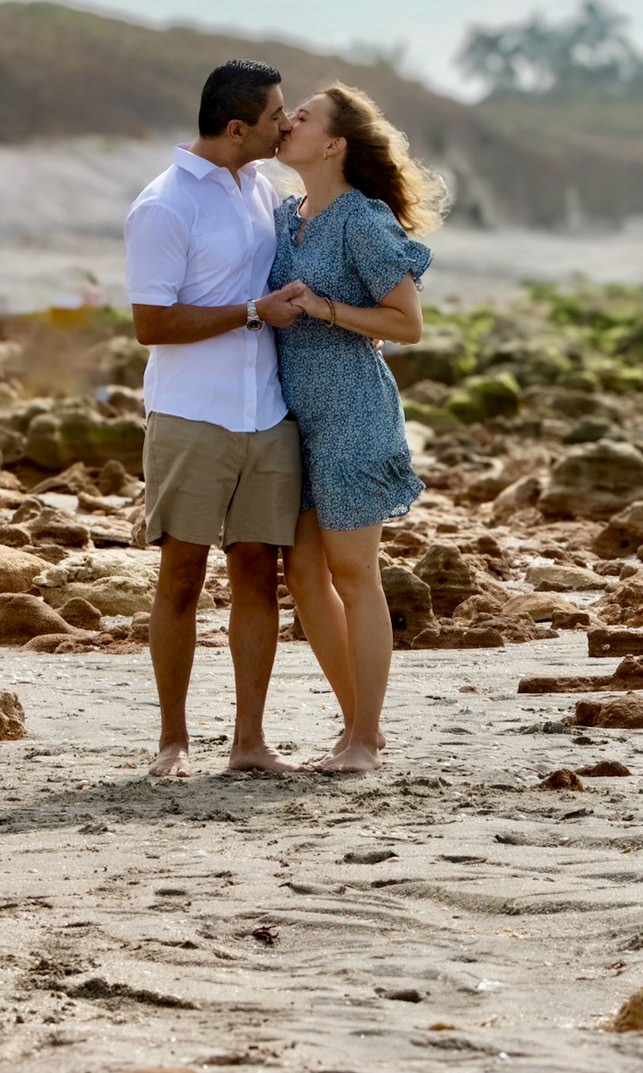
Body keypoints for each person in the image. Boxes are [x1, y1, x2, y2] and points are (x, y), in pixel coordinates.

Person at [124, 59, 305, 778]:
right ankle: (172, 740)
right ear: (236, 128)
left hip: (267, 411)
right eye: (274, 115)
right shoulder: (164, 206)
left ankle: (249, 742)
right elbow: (151, 323)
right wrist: (253, 312)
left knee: (258, 573)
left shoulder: (261, 188)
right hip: (191, 413)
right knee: (181, 575)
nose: (285, 124)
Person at [271, 83, 446, 773]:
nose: (288, 121)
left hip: (353, 414)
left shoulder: (361, 220)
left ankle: (366, 740)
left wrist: (326, 308)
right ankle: (354, 728)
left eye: (303, 116)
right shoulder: (285, 217)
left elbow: (408, 324)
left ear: (334, 144)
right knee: (303, 575)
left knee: (353, 572)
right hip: (291, 420)